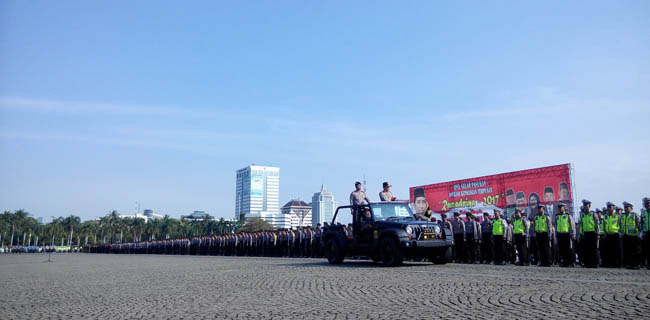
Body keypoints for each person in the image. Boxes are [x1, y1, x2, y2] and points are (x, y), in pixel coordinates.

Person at [555, 203, 576, 267]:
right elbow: (556, 226)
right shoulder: (557, 216)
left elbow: (572, 226)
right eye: (559, 208)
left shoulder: (568, 216)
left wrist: (573, 234)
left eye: (561, 207)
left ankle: (569, 262)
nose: (559, 209)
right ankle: (564, 262)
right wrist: (556, 234)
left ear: (564, 208)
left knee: (568, 249)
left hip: (566, 234)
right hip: (559, 234)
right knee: (561, 249)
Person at [580, 200, 600, 268]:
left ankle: (595, 263)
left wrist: (598, 233)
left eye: (586, 205)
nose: (585, 207)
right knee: (587, 249)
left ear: (589, 206)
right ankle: (588, 263)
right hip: (586, 233)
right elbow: (581, 225)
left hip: (592, 233)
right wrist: (582, 233)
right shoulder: (582, 215)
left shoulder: (593, 214)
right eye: (584, 205)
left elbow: (597, 224)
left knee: (593, 249)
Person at [621, 202, 641, 269]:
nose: (625, 209)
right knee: (627, 251)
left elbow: (638, 225)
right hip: (625, 235)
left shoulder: (635, 215)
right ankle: (629, 264)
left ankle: (636, 264)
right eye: (625, 207)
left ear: (631, 208)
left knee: (635, 251)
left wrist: (639, 234)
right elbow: (620, 225)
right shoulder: (623, 216)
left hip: (634, 236)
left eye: (627, 207)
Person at [602, 202, 621, 268]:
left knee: (616, 250)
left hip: (615, 235)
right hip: (608, 235)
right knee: (608, 250)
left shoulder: (617, 216)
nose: (609, 208)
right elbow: (604, 225)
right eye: (608, 207)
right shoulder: (605, 216)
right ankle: (610, 263)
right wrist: (605, 233)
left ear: (613, 208)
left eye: (610, 207)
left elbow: (620, 225)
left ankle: (617, 264)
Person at [642, 197, 650, 269]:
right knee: (647, 249)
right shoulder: (643, 213)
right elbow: (642, 223)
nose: (648, 205)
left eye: (648, 203)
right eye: (646, 203)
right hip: (646, 233)